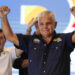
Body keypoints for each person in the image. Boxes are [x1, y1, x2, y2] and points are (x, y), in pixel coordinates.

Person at [0, 6, 75, 75]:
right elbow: (10, 36)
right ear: (38, 25)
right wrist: (3, 17)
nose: (44, 27)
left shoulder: (64, 39)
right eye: (41, 24)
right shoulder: (30, 40)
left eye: (48, 23)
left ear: (55, 24)